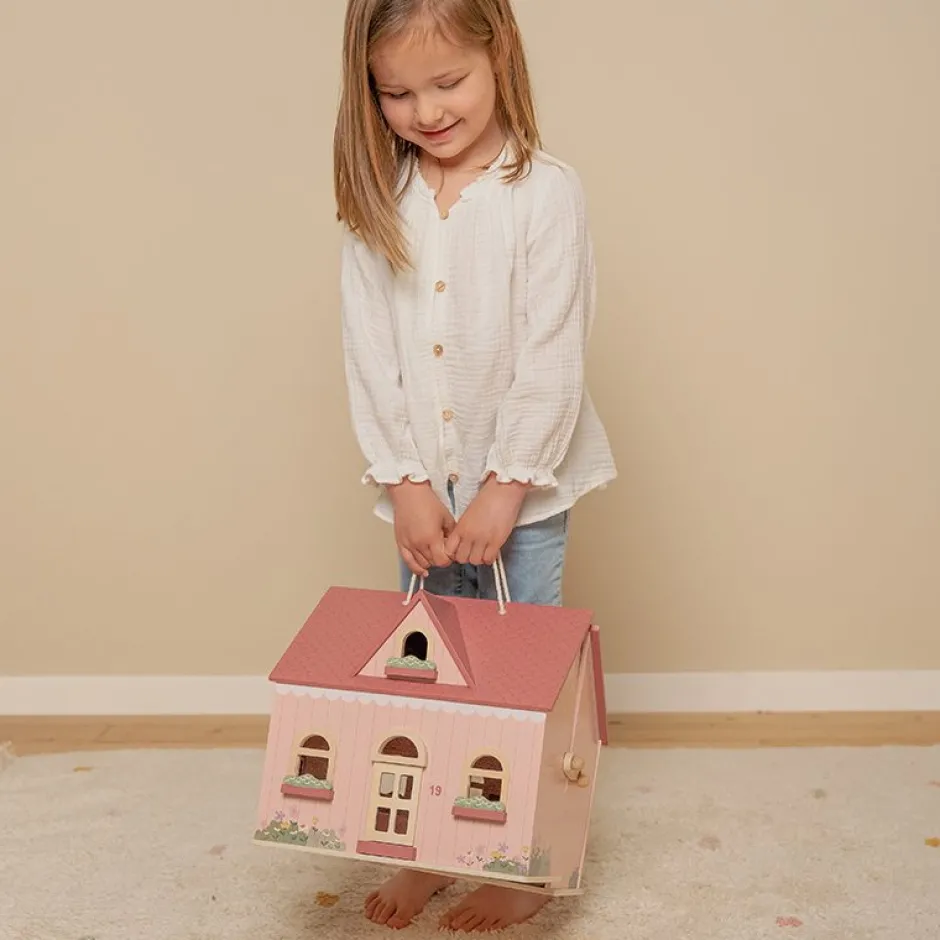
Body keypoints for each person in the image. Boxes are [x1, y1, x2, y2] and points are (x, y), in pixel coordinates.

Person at [334, 0, 616, 930]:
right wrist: (405, 482)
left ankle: (521, 862)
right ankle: (423, 851)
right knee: (429, 684)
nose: (426, 111)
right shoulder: (383, 200)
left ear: (499, 56)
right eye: (397, 93)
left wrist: (507, 485)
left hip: (519, 496)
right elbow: (370, 349)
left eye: (447, 82)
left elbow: (551, 349)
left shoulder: (545, 193)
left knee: (516, 683)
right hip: (425, 491)